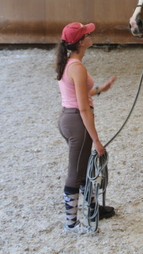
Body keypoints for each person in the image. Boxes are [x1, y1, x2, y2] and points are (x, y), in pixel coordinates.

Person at [55, 22, 117, 234]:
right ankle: (71, 224)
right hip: (77, 122)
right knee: (76, 174)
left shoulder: (68, 63)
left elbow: (79, 94)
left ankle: (92, 209)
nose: (91, 35)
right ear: (81, 42)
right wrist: (97, 141)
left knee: (82, 168)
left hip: (67, 118)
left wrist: (100, 89)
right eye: (87, 34)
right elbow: (83, 108)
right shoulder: (77, 68)